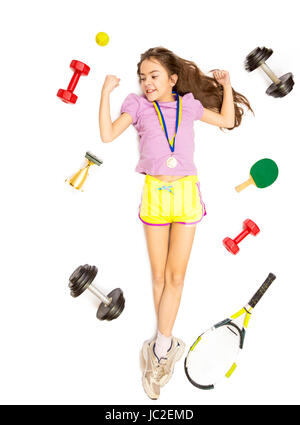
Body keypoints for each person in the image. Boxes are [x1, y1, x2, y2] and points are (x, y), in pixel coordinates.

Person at [99, 47, 252, 400]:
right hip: (154, 191)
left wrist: (227, 86)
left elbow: (227, 120)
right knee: (158, 276)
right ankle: (164, 345)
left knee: (176, 276)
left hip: (185, 193)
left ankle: (160, 348)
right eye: (142, 77)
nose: (146, 83)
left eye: (154, 76)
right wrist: (106, 93)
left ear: (172, 79)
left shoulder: (189, 106)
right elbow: (108, 135)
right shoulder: (137, 106)